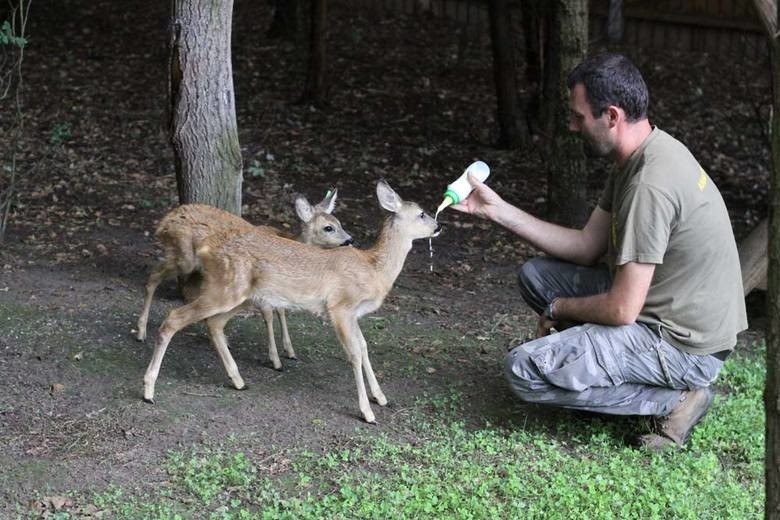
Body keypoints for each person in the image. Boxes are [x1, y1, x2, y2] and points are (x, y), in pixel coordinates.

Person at [452, 52, 747, 449]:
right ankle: (593, 360)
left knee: (524, 370)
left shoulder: (650, 186)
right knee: (536, 278)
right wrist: (497, 211)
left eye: (578, 117)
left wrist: (559, 310)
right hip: (663, 308)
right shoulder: (640, 155)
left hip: (685, 346)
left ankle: (676, 399)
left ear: (611, 115)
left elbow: (622, 309)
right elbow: (586, 246)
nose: (573, 126)